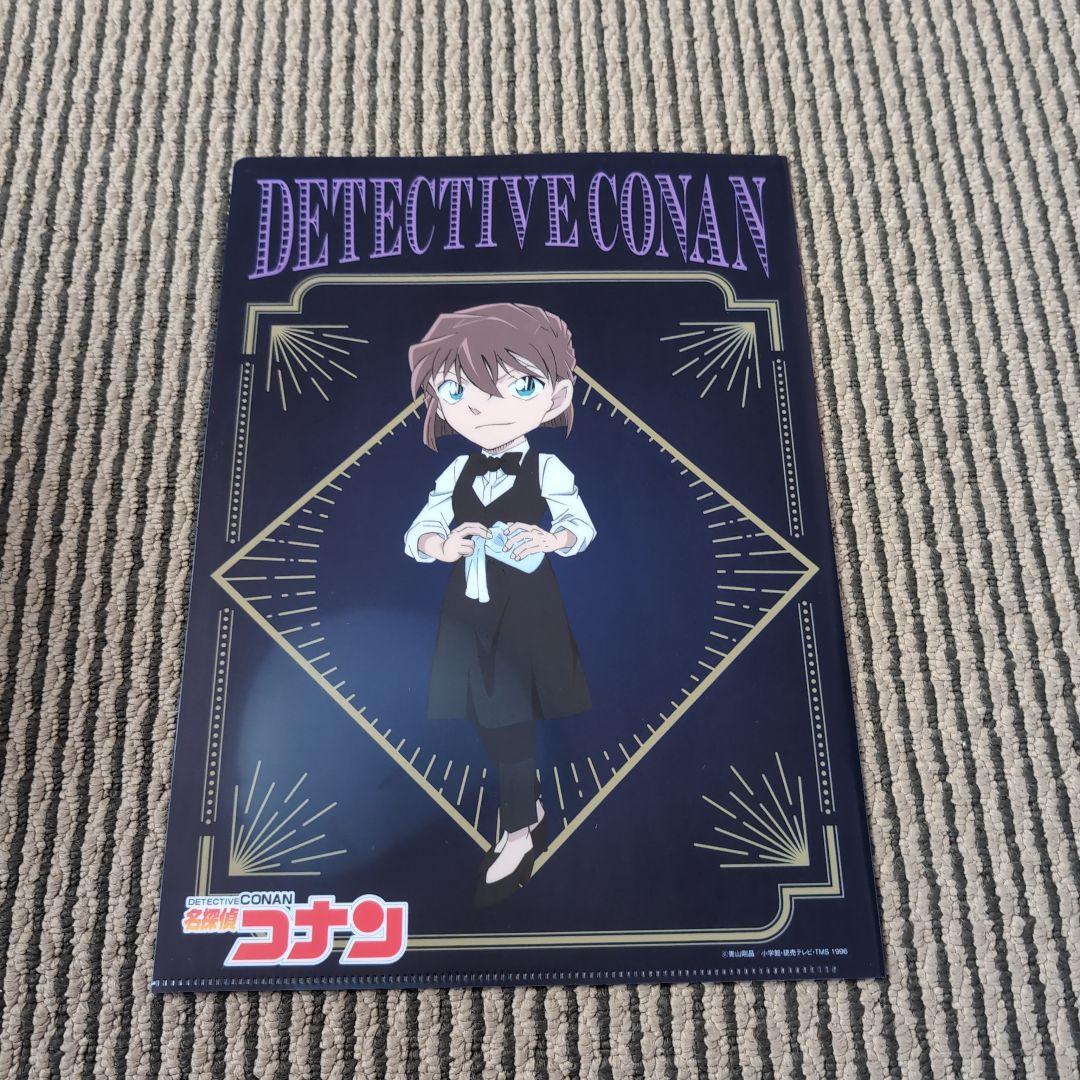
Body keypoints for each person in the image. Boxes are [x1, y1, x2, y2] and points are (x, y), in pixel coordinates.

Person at [403, 302, 595, 901]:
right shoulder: (455, 472)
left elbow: (580, 525)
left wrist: (550, 539)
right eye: (457, 390)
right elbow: (418, 531)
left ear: (557, 395)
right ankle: (527, 806)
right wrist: (443, 544)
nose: (483, 408)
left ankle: (518, 830)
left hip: (528, 608)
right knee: (486, 717)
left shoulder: (548, 466)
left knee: (508, 717)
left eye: (519, 386)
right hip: (469, 611)